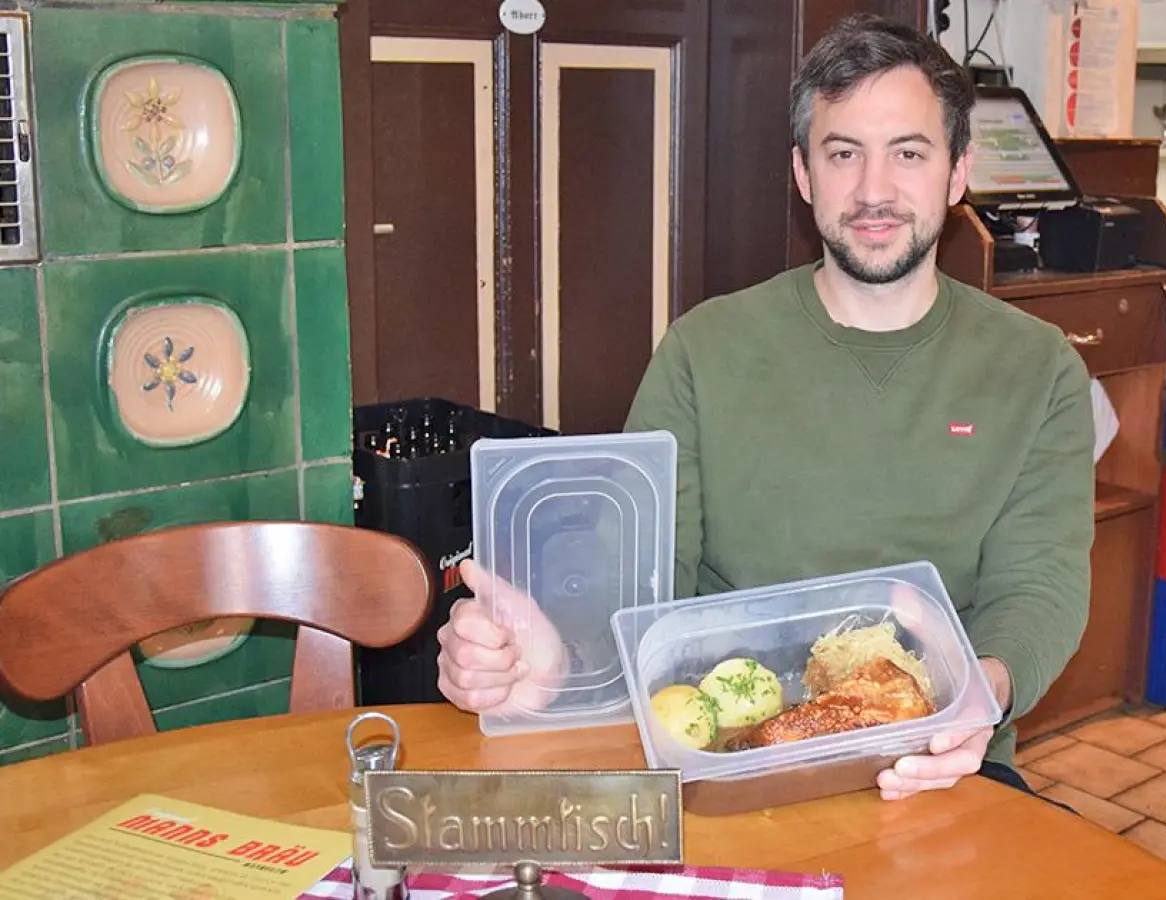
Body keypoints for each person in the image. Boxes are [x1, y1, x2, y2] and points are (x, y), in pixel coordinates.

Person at [437, 13, 1094, 803]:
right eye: (843, 153)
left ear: (957, 173)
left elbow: (1041, 585)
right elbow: (641, 574)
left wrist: (975, 699)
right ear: (803, 173)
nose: (874, 190)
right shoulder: (704, 349)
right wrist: (556, 662)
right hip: (726, 750)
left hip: (941, 757)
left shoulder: (1038, 365)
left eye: (909, 153)